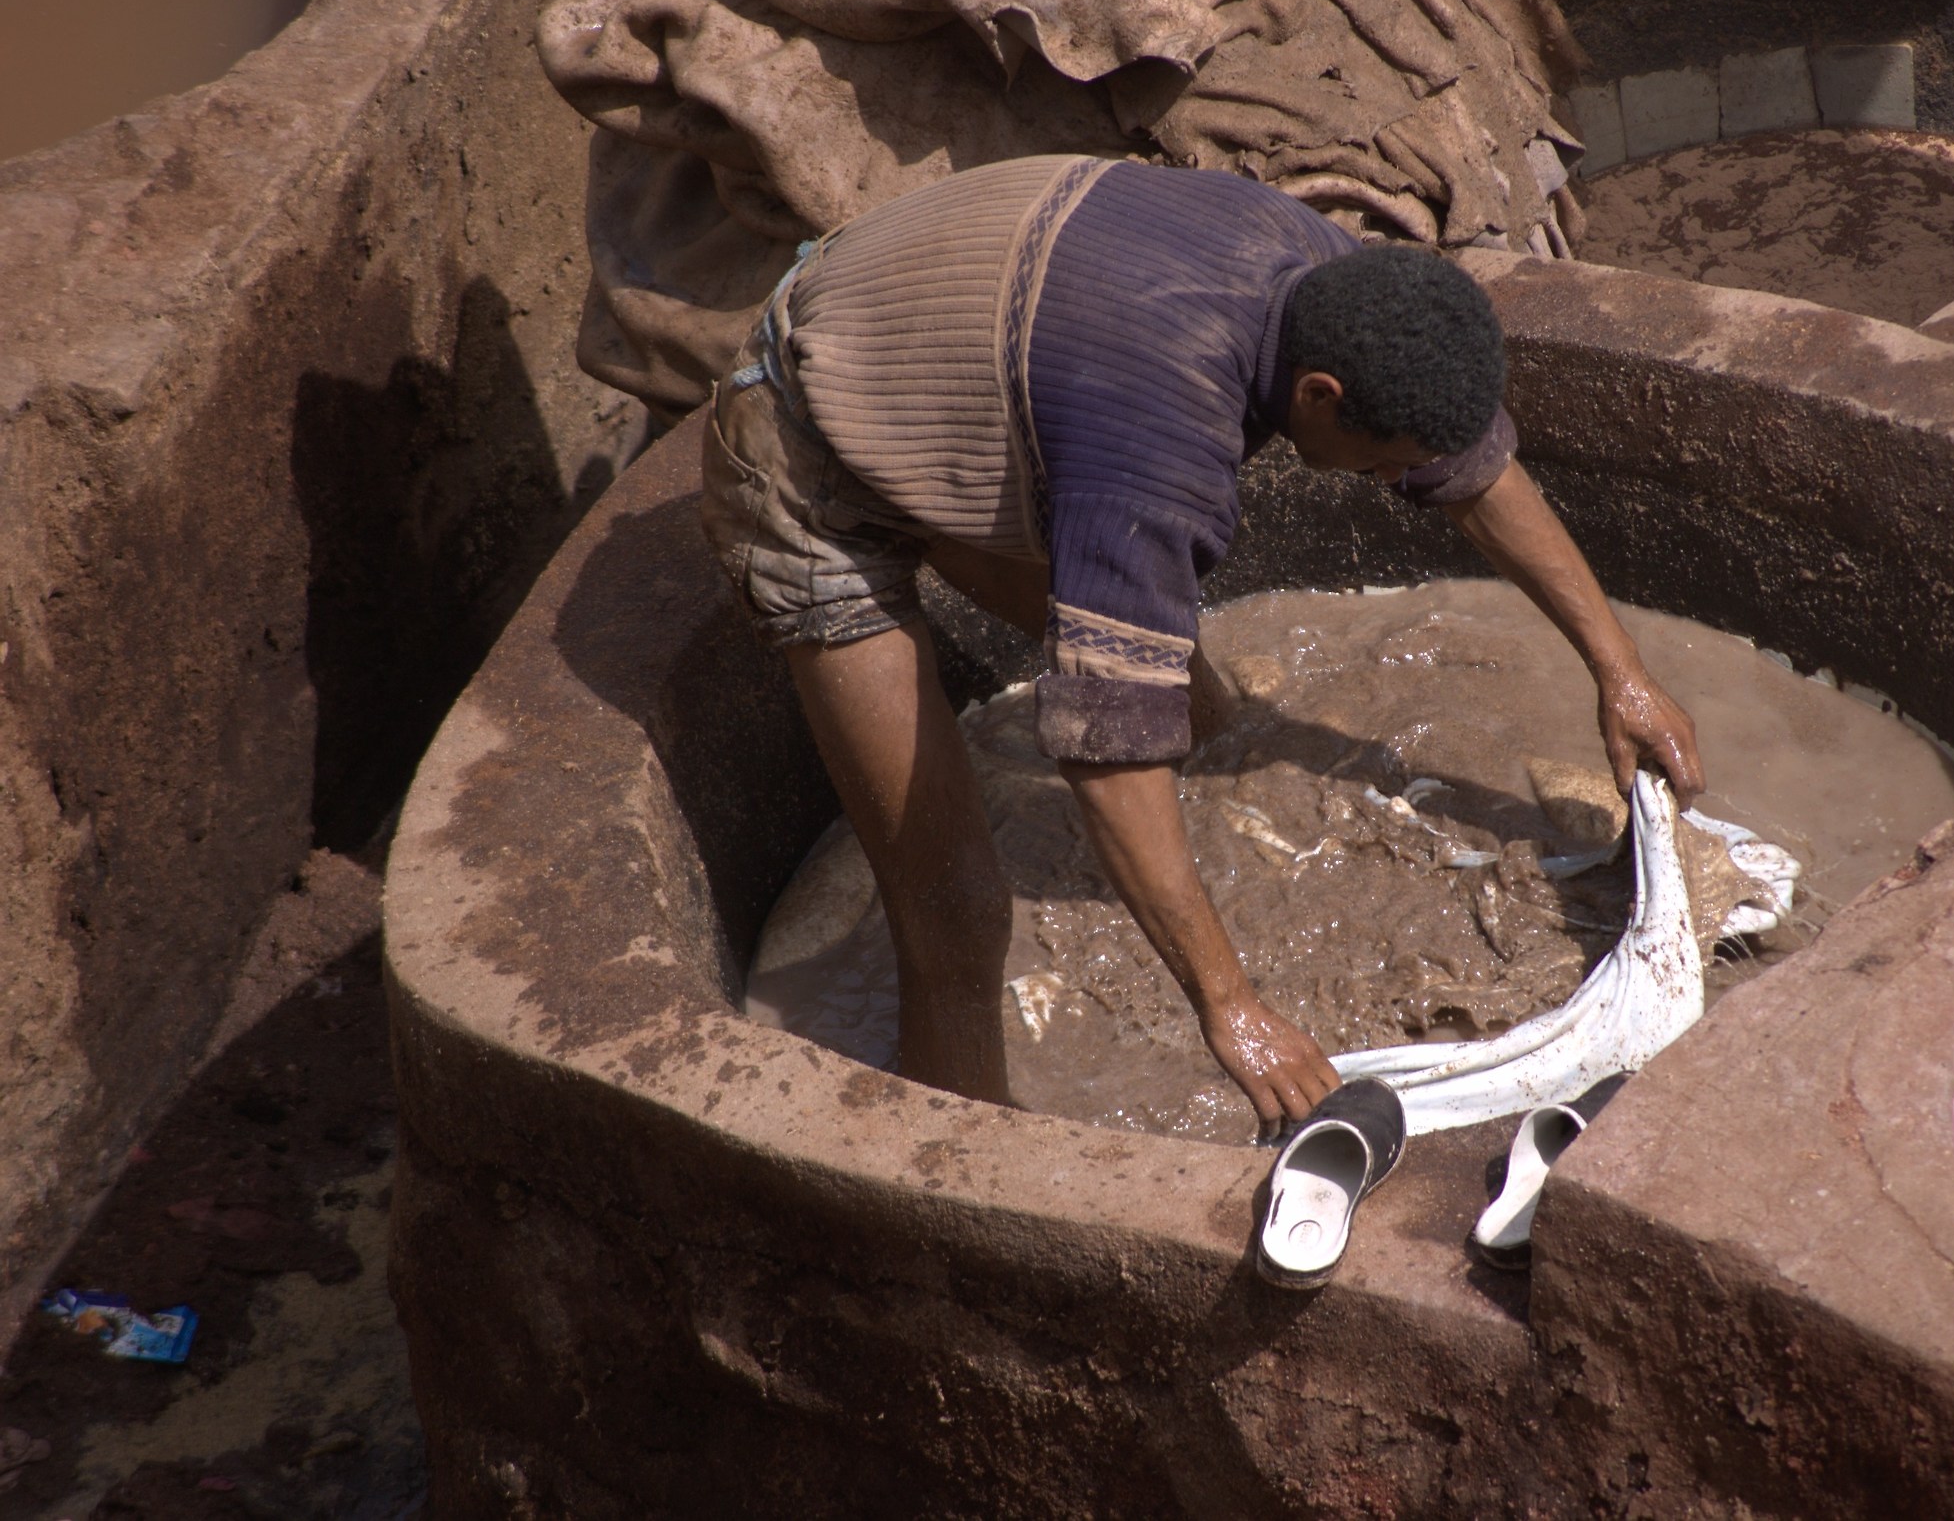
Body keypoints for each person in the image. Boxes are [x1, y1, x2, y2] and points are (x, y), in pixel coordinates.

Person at [700, 154, 1704, 1130]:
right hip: (803, 444)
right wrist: (1231, 1008)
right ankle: (960, 1161)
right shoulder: (1157, 448)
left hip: (949, 338)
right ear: (1318, 397)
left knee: (1198, 704)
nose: (1389, 485)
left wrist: (1623, 675)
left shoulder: (1328, 277)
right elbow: (1106, 753)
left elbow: (1475, 478)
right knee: (954, 906)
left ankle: (927, 484)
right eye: (1380, 467)